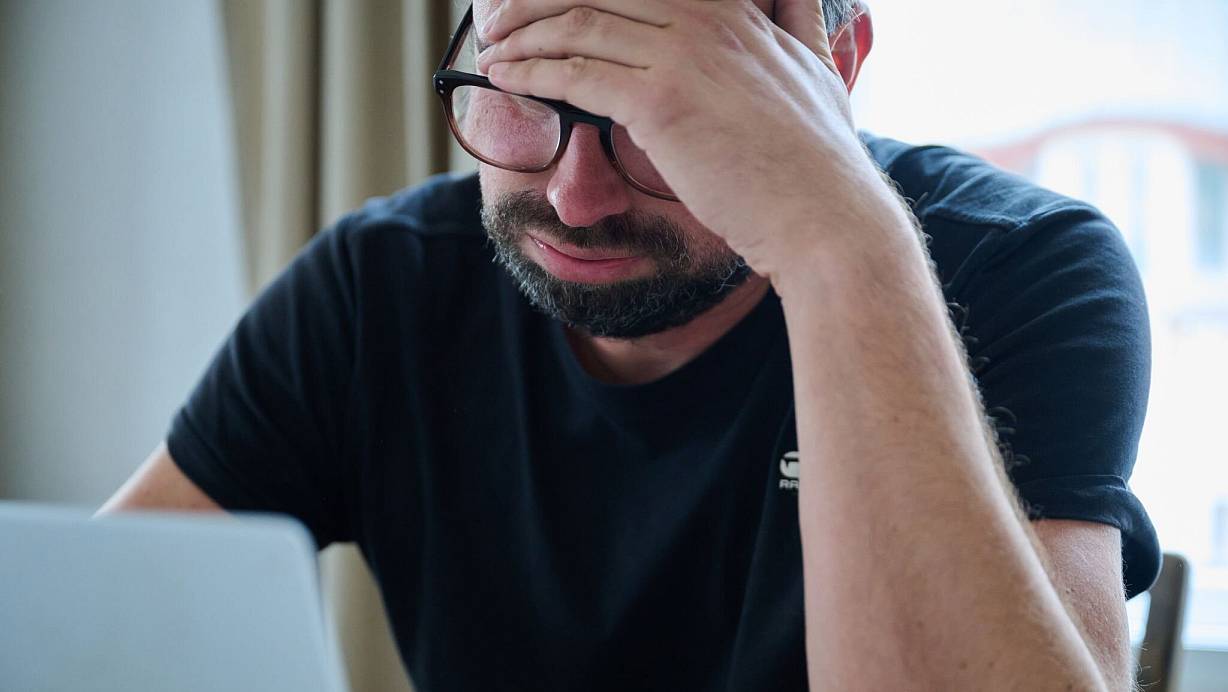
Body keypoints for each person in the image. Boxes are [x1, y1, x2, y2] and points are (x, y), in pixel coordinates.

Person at [100, 1, 1159, 689]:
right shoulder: (384, 284)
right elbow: (83, 621)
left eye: (662, 116)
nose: (575, 197)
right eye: (522, 97)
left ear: (828, 77)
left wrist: (840, 242)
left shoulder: (1017, 269)